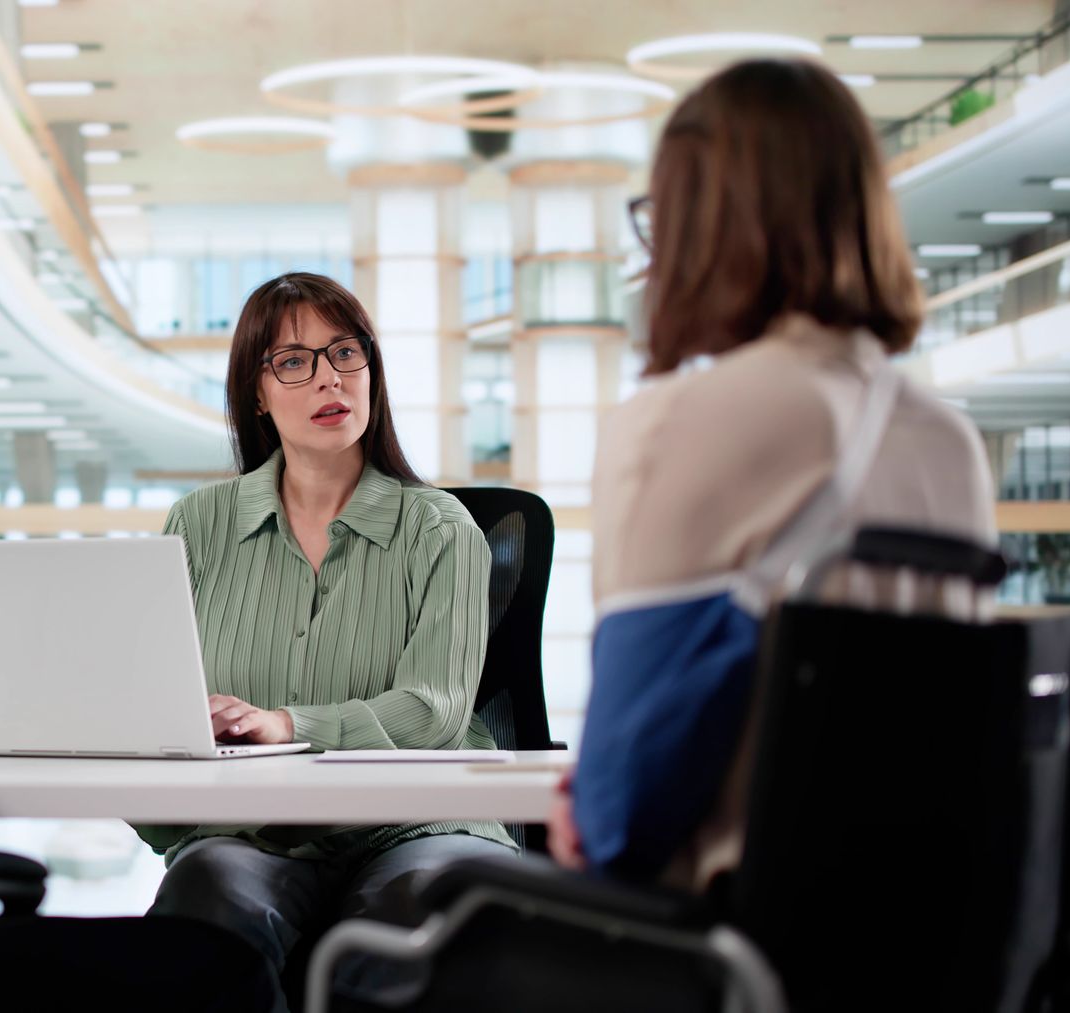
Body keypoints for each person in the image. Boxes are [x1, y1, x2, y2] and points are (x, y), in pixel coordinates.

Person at [548, 60, 996, 888]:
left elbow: (617, 819)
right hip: (939, 944)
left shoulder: (681, 420)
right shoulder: (951, 442)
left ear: (698, 226)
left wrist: (593, 802)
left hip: (733, 952)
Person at [143, 272, 505, 1004]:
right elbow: (162, 702)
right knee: (205, 902)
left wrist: (287, 726)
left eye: (346, 353)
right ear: (256, 391)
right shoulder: (198, 526)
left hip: (416, 822)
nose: (329, 378)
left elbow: (434, 707)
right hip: (253, 832)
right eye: (294, 361)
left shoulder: (440, 529)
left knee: (417, 922)